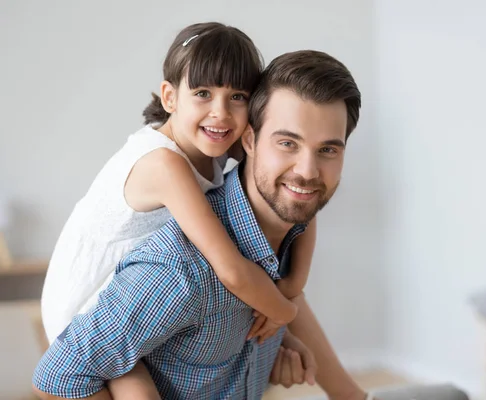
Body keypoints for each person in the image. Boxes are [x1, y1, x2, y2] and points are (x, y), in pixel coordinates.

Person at [33, 49, 367, 400]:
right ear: (249, 141)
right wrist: (285, 312)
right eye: (287, 143)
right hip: (74, 306)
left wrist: (275, 348)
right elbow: (59, 377)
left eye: (328, 150)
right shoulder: (179, 269)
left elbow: (286, 299)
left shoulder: (286, 235)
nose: (307, 171)